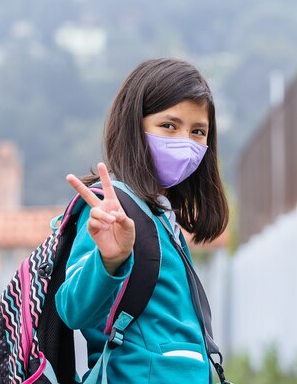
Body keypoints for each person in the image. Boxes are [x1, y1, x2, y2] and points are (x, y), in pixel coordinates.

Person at [55, 58, 230, 384]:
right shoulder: (113, 210)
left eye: (198, 131)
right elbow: (73, 310)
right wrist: (109, 261)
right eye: (169, 126)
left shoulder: (161, 218)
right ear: (134, 126)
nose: (185, 141)